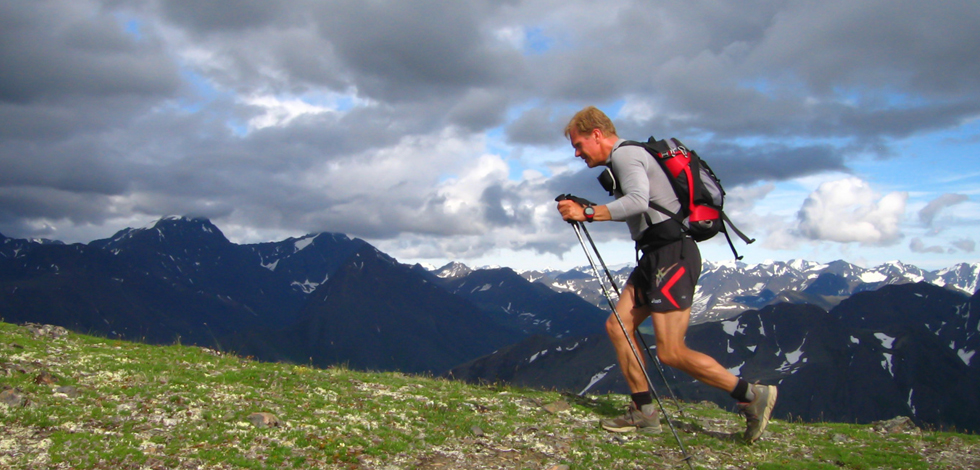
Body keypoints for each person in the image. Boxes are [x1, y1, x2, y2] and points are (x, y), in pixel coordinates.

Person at [556, 106, 777, 443]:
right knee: (618, 326)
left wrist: (587, 212)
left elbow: (637, 202)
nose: (576, 152)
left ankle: (752, 395)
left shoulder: (626, 154)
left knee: (671, 351)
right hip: (656, 255)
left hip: (672, 255)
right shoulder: (628, 157)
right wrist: (589, 208)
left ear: (597, 135)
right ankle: (644, 412)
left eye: (578, 144)